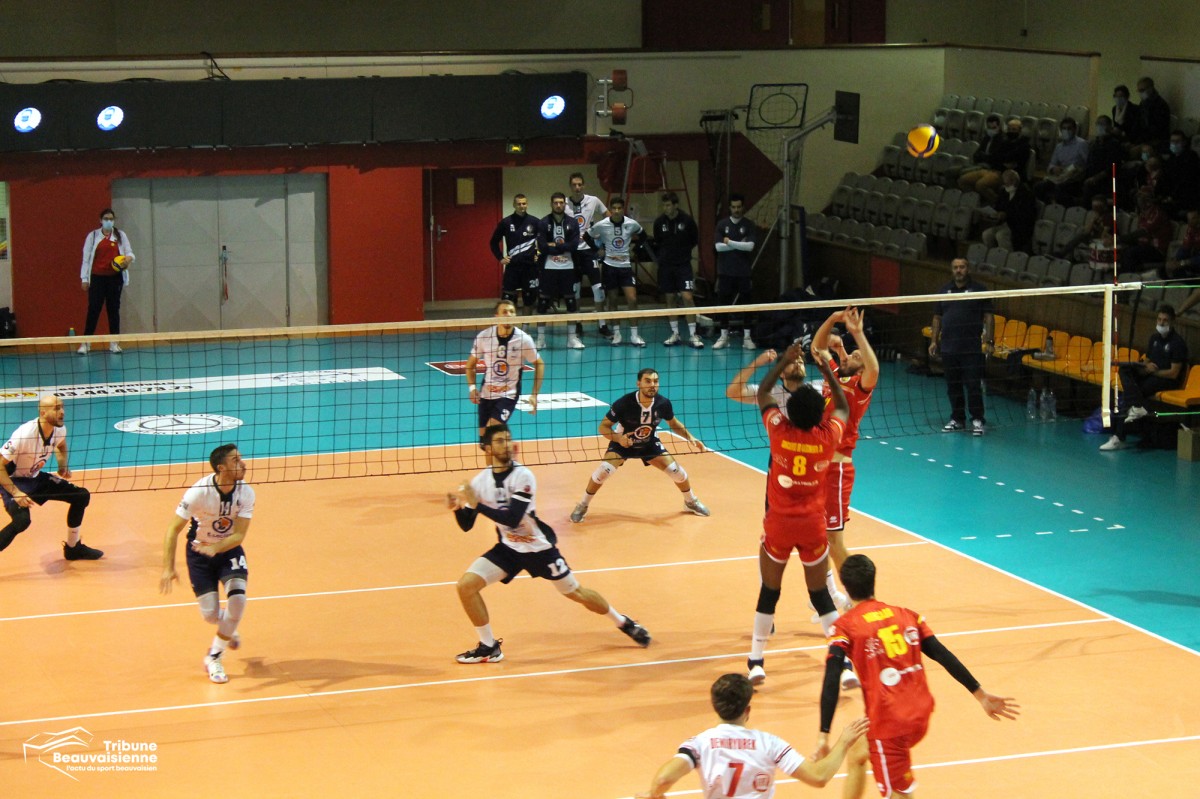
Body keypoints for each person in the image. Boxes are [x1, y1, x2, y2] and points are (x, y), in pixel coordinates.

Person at [816, 554, 1019, 799]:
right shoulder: (906, 615)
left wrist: (824, 734)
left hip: (889, 723)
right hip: (920, 714)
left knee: (898, 793)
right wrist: (979, 693)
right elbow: (942, 654)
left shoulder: (846, 626)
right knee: (858, 751)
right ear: (873, 580)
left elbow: (832, 676)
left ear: (845, 587)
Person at [448, 423, 651, 663]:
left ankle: (623, 623)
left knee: (575, 592)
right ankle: (488, 646)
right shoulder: (480, 482)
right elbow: (466, 524)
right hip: (509, 549)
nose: (508, 445)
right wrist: (458, 508)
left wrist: (478, 504)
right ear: (488, 448)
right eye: (500, 441)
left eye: (508, 439)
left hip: (538, 549)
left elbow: (513, 518)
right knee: (466, 586)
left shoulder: (523, 476)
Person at [747, 341, 849, 687]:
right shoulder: (828, 437)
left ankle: (756, 661)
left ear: (789, 411)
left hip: (779, 523)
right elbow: (842, 407)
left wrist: (784, 361)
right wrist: (826, 370)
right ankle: (843, 664)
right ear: (820, 414)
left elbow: (764, 392)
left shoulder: (779, 430)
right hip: (812, 526)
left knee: (769, 592)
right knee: (820, 595)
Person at [638, 672, 869, 799]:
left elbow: (663, 779)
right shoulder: (769, 744)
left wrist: (654, 794)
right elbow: (819, 777)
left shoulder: (699, 744)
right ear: (747, 710)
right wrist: (843, 742)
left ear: (715, 707)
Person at [159, 444, 255, 684]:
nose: (243, 464)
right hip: (198, 554)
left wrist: (216, 547)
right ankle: (227, 627)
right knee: (210, 615)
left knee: (238, 601)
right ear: (221, 468)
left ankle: (214, 656)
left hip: (228, 550)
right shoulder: (198, 493)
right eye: (235, 460)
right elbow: (172, 530)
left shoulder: (246, 492)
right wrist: (168, 568)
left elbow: (239, 535)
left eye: (241, 458)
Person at [570, 368, 709, 522]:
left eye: (655, 381)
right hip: (624, 443)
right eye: (648, 381)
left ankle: (690, 501)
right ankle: (583, 505)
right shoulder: (624, 403)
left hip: (649, 443)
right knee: (604, 470)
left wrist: (691, 437)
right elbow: (603, 427)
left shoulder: (663, 403)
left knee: (676, 471)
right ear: (639, 383)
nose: (652, 385)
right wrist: (619, 438)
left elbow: (674, 423)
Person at [811, 307, 879, 608]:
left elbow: (873, 368)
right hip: (817, 468)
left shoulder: (861, 388)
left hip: (836, 472)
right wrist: (833, 319)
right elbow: (817, 348)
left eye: (855, 356)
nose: (849, 355)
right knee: (817, 538)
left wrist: (857, 333)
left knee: (834, 541)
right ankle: (825, 596)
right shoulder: (835, 376)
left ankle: (860, 602)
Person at [0, 394, 102, 561]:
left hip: (35, 477)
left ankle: (73, 548)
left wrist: (62, 465)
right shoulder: (24, 434)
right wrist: (16, 492)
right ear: (43, 413)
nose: (62, 412)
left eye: (62, 407)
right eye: (56, 408)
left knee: (81, 496)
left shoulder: (59, 430)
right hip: (14, 480)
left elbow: (61, 445)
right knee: (22, 521)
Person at [466, 299, 544, 465]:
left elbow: (539, 364)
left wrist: (534, 394)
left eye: (512, 311)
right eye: (504, 311)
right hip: (487, 393)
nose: (508, 314)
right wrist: (472, 388)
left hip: (509, 394)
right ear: (497, 316)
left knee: (492, 429)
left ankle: (509, 463)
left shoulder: (524, 339)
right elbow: (470, 365)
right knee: (486, 443)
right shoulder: (484, 337)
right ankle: (491, 474)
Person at [1100, 305, 1188, 451]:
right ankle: (1137, 408)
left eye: (1165, 320)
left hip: (1167, 380)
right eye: (1159, 319)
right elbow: (1148, 359)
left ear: (1172, 322)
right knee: (1125, 370)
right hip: (1151, 375)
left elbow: (1174, 373)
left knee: (1131, 394)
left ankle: (1119, 436)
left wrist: (1152, 372)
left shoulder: (1177, 343)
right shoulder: (1154, 338)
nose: (1161, 323)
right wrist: (1143, 367)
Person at [929, 258, 994, 436]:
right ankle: (957, 419)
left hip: (971, 348)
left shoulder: (979, 290)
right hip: (949, 347)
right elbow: (937, 317)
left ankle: (977, 420)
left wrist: (989, 342)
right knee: (953, 385)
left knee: (973, 385)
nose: (959, 270)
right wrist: (934, 341)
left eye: (962, 267)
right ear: (952, 270)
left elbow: (989, 317)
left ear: (968, 269)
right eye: (955, 267)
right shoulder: (944, 290)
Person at [586, 196, 647, 346]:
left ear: (623, 209)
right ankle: (617, 334)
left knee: (632, 299)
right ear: (610, 209)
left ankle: (634, 335)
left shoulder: (631, 223)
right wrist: (598, 250)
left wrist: (635, 250)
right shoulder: (602, 224)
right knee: (612, 300)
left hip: (625, 267)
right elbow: (587, 236)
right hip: (609, 267)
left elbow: (643, 235)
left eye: (619, 208)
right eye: (614, 208)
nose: (617, 211)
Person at [650, 192, 704, 348]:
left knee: (687, 297)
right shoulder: (659, 222)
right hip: (666, 267)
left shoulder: (687, 221)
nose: (665, 208)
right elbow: (658, 241)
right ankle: (675, 333)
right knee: (670, 298)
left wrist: (681, 253)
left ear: (675, 205)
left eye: (668, 205)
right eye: (664, 205)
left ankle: (693, 335)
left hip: (683, 266)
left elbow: (694, 240)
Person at [79, 207, 135, 354]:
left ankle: (114, 343)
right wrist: (84, 278)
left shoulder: (120, 235)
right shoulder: (92, 236)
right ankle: (85, 343)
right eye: (106, 219)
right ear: (101, 220)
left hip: (115, 279)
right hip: (97, 279)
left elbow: (130, 253)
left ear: (114, 221)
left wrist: (128, 259)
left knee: (113, 310)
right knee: (93, 309)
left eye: (111, 219)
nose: (109, 221)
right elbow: (86, 259)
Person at [535, 191, 585, 350]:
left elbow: (574, 245)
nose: (558, 205)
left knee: (571, 303)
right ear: (551, 204)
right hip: (548, 268)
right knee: (543, 303)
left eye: (561, 202)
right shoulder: (543, 222)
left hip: (568, 268)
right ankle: (541, 339)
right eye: (555, 202)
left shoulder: (573, 222)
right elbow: (542, 247)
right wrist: (563, 247)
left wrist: (554, 245)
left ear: (565, 204)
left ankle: (572, 338)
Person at [567, 173, 611, 338]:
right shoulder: (564, 203)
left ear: (583, 185)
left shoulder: (593, 200)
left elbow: (609, 217)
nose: (577, 187)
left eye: (580, 184)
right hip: (572, 252)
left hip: (589, 250)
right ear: (570, 186)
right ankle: (578, 323)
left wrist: (603, 238)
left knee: (598, 289)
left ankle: (602, 324)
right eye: (574, 185)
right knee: (576, 290)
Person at [713, 194, 758, 350]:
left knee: (746, 305)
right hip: (725, 272)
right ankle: (723, 336)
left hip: (743, 273)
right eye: (733, 207)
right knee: (723, 305)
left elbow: (750, 246)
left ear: (743, 207)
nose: (736, 210)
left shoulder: (749, 225)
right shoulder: (722, 224)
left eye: (739, 207)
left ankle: (747, 337)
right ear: (730, 208)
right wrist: (740, 244)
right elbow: (718, 247)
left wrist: (729, 242)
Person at [488, 193, 540, 314]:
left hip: (530, 268)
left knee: (529, 301)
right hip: (513, 267)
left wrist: (539, 254)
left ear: (527, 204)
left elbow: (545, 241)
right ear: (514, 205)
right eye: (519, 204)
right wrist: (500, 258)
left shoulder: (535, 222)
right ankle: (510, 324)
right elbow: (493, 242)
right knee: (507, 301)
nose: (521, 206)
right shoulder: (506, 222)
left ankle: (525, 325)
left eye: (524, 203)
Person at [726, 347, 808, 413]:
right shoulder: (768, 394)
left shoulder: (814, 388)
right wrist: (757, 363)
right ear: (781, 373)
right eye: (793, 363)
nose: (798, 365)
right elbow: (733, 393)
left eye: (801, 363)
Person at [1034, 117, 1088, 204]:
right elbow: (1051, 164)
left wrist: (1079, 170)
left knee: (1060, 188)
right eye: (1064, 128)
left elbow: (1088, 163)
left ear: (1074, 130)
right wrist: (1053, 169)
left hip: (1075, 179)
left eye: (1069, 128)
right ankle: (1047, 207)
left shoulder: (1081, 144)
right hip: (1061, 176)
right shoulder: (1059, 147)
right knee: (1038, 187)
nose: (1066, 131)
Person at [980, 170, 1036, 252]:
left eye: (1007, 183)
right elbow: (998, 206)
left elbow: (1026, 215)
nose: (1005, 185)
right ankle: (992, 255)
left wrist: (1007, 214)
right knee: (986, 234)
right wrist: (991, 214)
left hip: (1019, 226)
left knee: (1001, 235)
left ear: (1014, 181)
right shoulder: (1004, 191)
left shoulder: (1026, 194)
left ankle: (1007, 257)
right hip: (1005, 224)